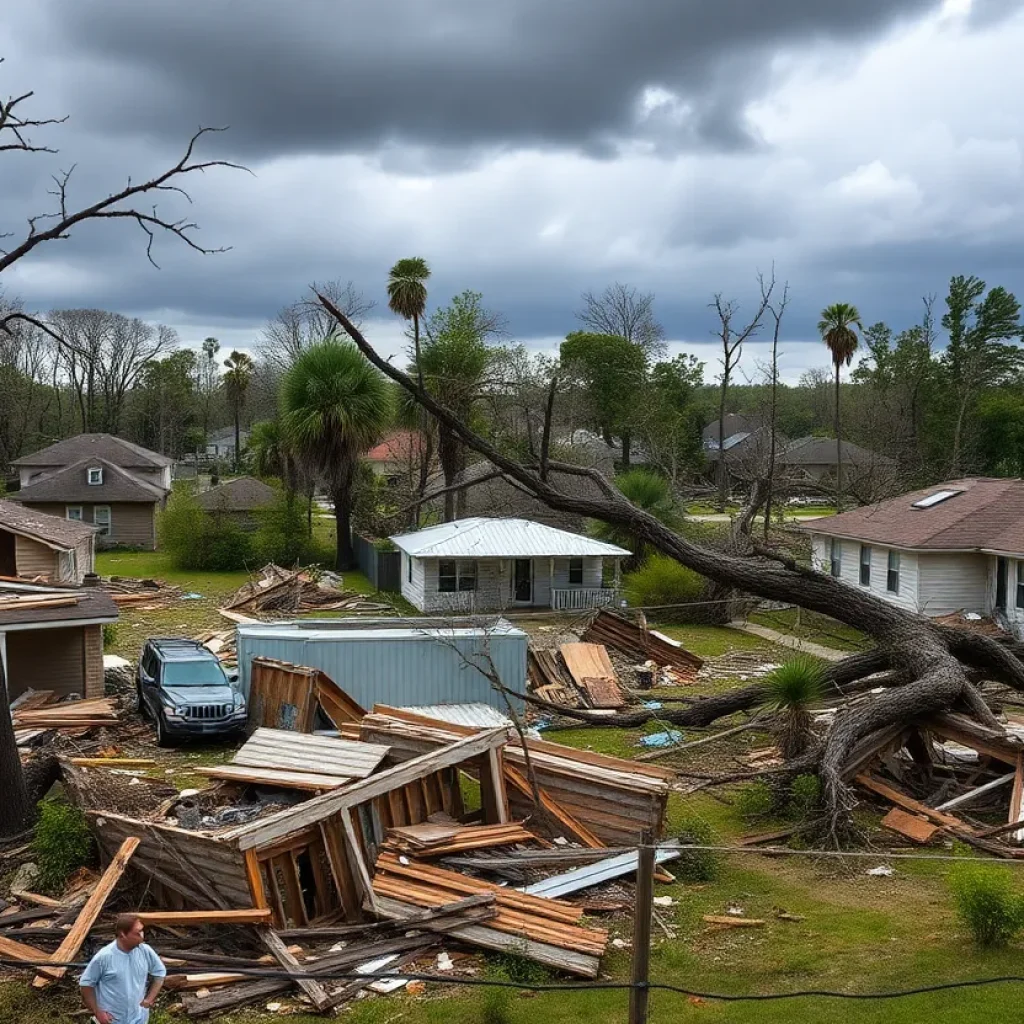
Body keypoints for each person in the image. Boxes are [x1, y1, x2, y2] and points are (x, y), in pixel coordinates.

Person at [80, 913, 166, 1024]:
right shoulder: (104, 957)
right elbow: (86, 984)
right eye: (137, 933)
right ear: (122, 935)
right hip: (112, 1020)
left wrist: (150, 998)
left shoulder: (145, 951)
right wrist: (97, 1011)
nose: (142, 936)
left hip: (139, 1018)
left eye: (142, 930)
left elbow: (160, 972)